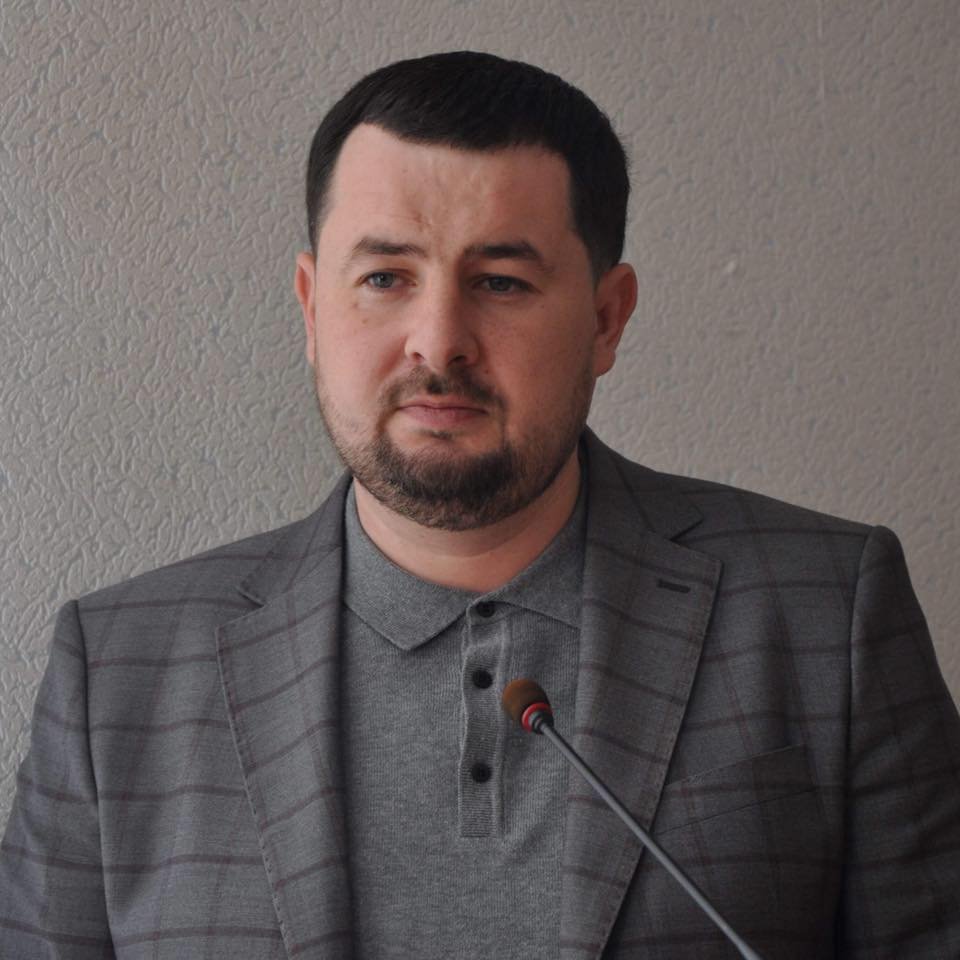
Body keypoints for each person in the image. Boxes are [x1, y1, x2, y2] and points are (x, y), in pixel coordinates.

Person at [1, 50, 958, 960]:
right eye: (385, 278)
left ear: (606, 318)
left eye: (500, 282)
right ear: (311, 307)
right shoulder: (117, 671)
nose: (438, 341)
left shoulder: (826, 610)